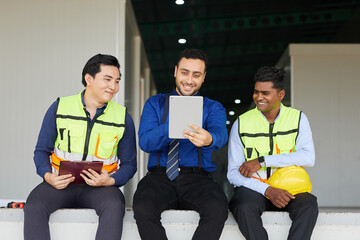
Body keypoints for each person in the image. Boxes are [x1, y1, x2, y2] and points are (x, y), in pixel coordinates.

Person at [24, 54, 137, 240]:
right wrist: (48, 176)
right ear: (88, 79)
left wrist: (111, 181)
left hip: (100, 188)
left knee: (115, 206)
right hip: (60, 184)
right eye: (107, 79)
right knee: (34, 206)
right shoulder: (60, 107)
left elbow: (130, 165)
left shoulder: (123, 117)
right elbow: (41, 151)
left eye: (117, 81)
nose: (113, 87)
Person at [133, 48, 228, 240]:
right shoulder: (154, 104)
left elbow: (220, 134)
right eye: (184, 72)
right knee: (142, 207)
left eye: (196, 75)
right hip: (160, 176)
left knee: (218, 209)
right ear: (175, 71)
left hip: (198, 179)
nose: (189, 80)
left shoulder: (213, 107)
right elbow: (145, 142)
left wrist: (209, 139)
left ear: (203, 77)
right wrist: (172, 126)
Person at [227, 66, 318, 240]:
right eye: (256, 92)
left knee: (309, 205)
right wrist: (268, 189)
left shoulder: (298, 118)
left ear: (281, 95)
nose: (258, 98)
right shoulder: (242, 123)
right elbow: (233, 173)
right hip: (254, 189)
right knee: (242, 205)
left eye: (265, 93)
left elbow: (308, 157)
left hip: (288, 188)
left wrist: (262, 161)